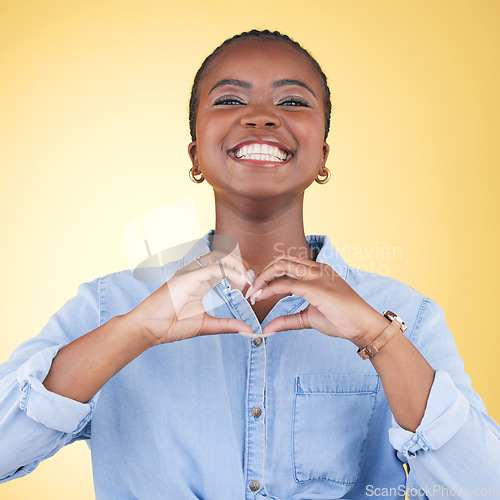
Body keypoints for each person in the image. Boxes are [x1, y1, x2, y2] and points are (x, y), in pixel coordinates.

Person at [0, 29, 499, 499]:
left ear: (322, 155)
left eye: (293, 102)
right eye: (230, 100)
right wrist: (134, 331)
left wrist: (380, 340)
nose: (261, 116)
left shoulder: (404, 314)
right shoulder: (110, 306)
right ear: (195, 154)